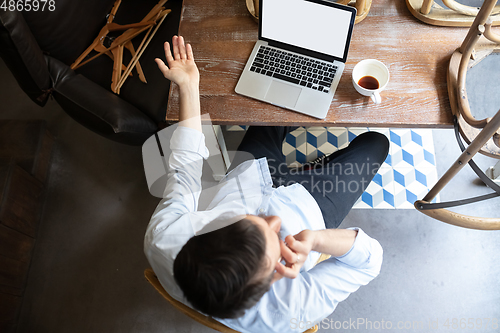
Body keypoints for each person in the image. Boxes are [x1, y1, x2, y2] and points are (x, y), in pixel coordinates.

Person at [144, 35, 389, 333]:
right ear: (274, 279)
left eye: (252, 219)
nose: (274, 218)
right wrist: (315, 239)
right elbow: (370, 260)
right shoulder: (290, 311)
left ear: (202, 230)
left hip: (251, 177)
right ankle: (318, 171)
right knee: (376, 142)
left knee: (277, 104)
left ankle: (307, 169)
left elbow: (185, 170)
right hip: (311, 205)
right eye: (276, 238)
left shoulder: (164, 237)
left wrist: (188, 85)